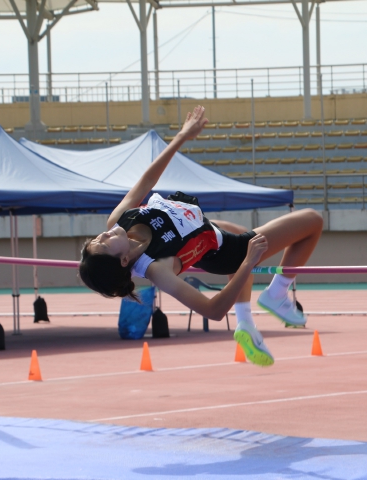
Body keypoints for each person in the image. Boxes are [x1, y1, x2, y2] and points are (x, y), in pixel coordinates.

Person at [79, 106, 323, 367]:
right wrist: (246, 263)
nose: (103, 234)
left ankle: (245, 324)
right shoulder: (157, 269)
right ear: (124, 260)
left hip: (204, 230)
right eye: (104, 244)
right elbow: (213, 311)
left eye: (97, 238)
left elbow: (147, 180)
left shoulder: (118, 220)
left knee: (236, 229)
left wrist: (182, 136)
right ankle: (277, 292)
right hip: (225, 251)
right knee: (312, 220)